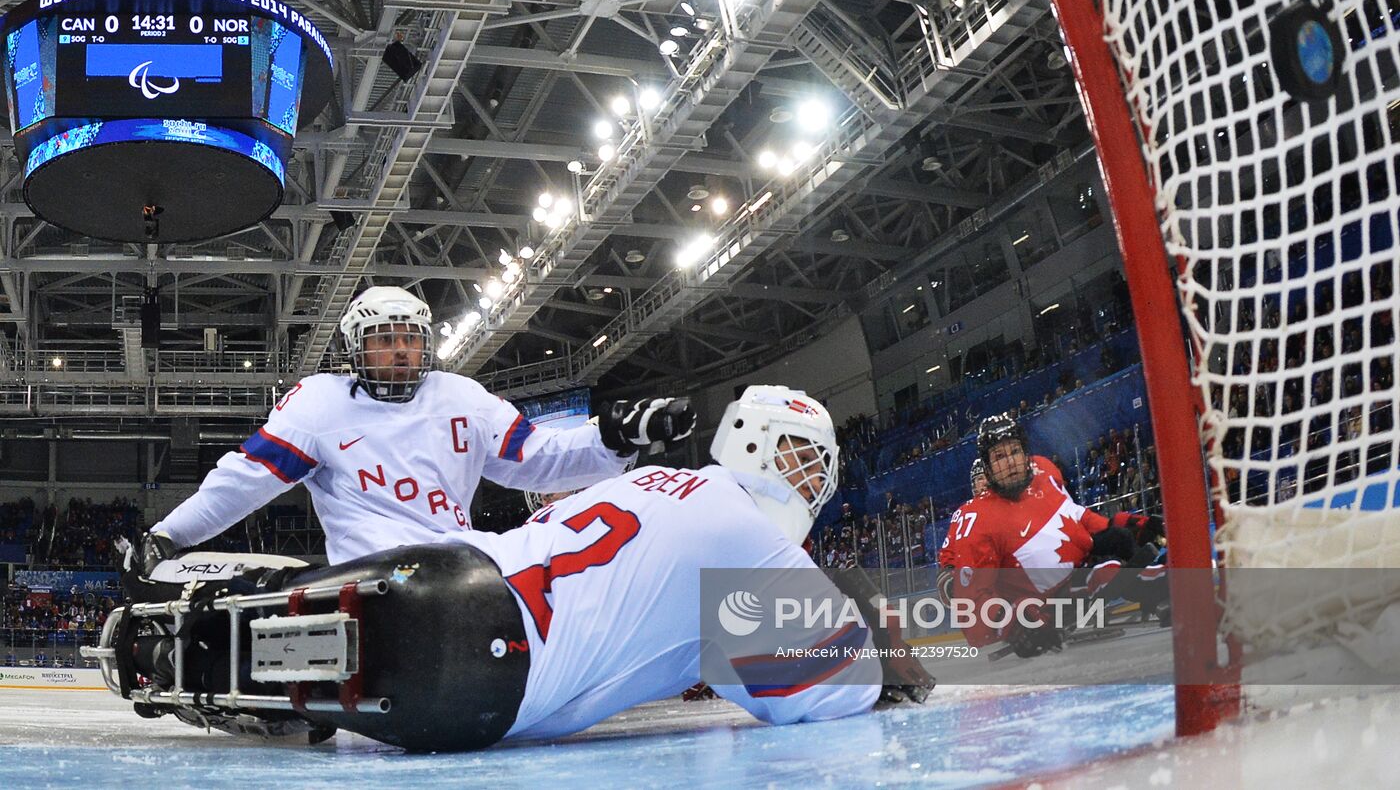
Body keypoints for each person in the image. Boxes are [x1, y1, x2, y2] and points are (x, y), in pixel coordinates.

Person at [109, 386, 927, 750]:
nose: (812, 484)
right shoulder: (755, 541)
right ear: (769, 452)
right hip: (488, 671)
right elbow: (824, 698)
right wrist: (876, 644)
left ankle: (192, 633)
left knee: (298, 645)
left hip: (444, 569)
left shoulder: (646, 480)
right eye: (807, 464)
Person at [137, 286, 696, 568]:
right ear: (355, 349)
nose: (401, 351)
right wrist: (170, 535)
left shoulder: (461, 397)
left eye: (409, 338)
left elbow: (541, 458)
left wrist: (615, 435)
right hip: (374, 575)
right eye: (385, 339)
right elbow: (243, 481)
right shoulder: (319, 404)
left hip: (468, 562)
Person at [951, 414, 1155, 658]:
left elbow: (1075, 518)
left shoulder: (1043, 473)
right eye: (999, 457)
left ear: (1026, 454)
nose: (1010, 463)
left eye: (1015, 452)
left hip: (1069, 582)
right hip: (1031, 604)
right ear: (987, 466)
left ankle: (1153, 587)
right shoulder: (973, 517)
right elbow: (968, 593)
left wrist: (1122, 523)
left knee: (1112, 561)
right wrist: (1007, 623)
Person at [935, 457, 987, 603]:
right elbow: (948, 552)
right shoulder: (961, 513)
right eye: (980, 479)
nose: (984, 483)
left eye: (987, 477)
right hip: (975, 588)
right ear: (973, 484)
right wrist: (950, 572)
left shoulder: (1004, 505)